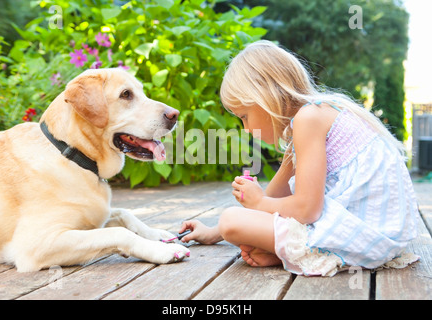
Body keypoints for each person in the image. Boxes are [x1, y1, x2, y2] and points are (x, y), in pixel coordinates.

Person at [179, 40, 419, 276]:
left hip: (367, 236)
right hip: (378, 235)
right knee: (234, 222)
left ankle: (303, 252)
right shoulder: (313, 118)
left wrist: (258, 204)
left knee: (232, 220)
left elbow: (306, 210)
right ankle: (287, 252)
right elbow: (275, 196)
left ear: (266, 97)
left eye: (244, 116)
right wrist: (214, 233)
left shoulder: (309, 118)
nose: (246, 128)